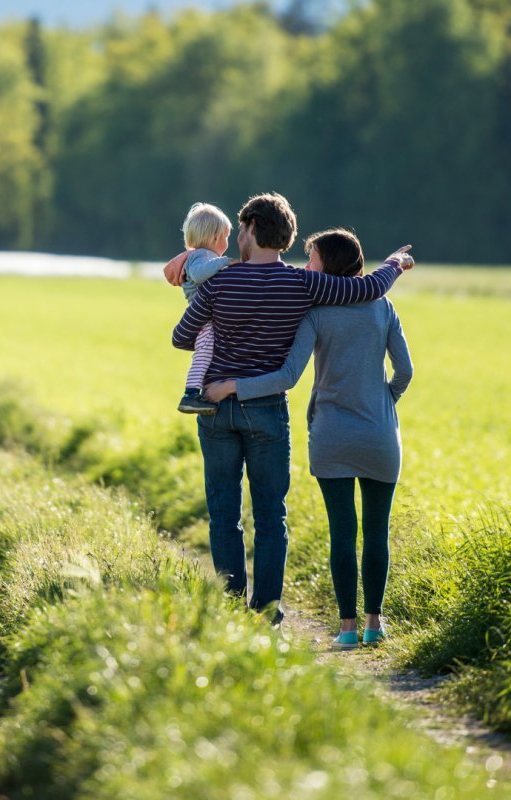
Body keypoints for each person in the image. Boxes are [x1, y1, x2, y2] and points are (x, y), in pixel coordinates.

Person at [168, 193, 414, 624]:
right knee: (270, 513)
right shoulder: (302, 283)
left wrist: (222, 332)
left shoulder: (221, 282)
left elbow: (181, 337)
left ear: (250, 229)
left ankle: (229, 605)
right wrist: (394, 263)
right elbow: (369, 288)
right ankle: (266, 609)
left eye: (240, 229)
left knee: (224, 510)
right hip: (266, 409)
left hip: (216, 407)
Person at [174, 202, 237, 415]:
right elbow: (199, 274)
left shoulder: (202, 256)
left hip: (205, 316)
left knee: (207, 351)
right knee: (204, 351)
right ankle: (190, 394)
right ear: (215, 237)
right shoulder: (200, 256)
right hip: (202, 319)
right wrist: (225, 262)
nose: (227, 242)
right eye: (226, 236)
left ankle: (196, 392)